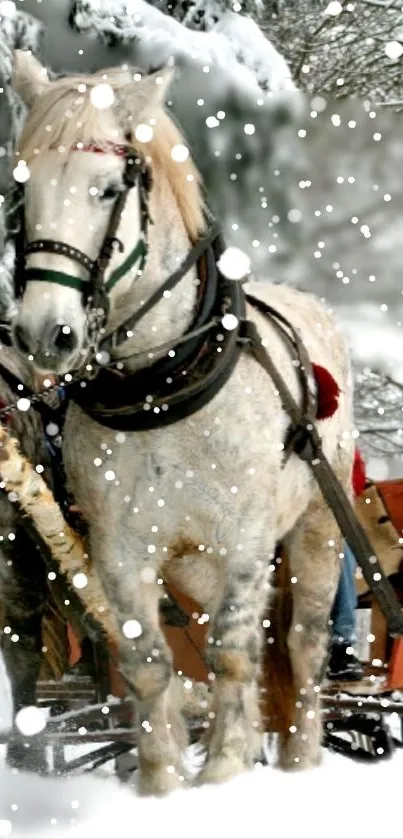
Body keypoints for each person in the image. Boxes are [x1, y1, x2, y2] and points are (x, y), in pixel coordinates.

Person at [327, 449, 366, 681]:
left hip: (324, 516)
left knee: (341, 550)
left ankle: (340, 646)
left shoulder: (341, 442)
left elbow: (356, 478)